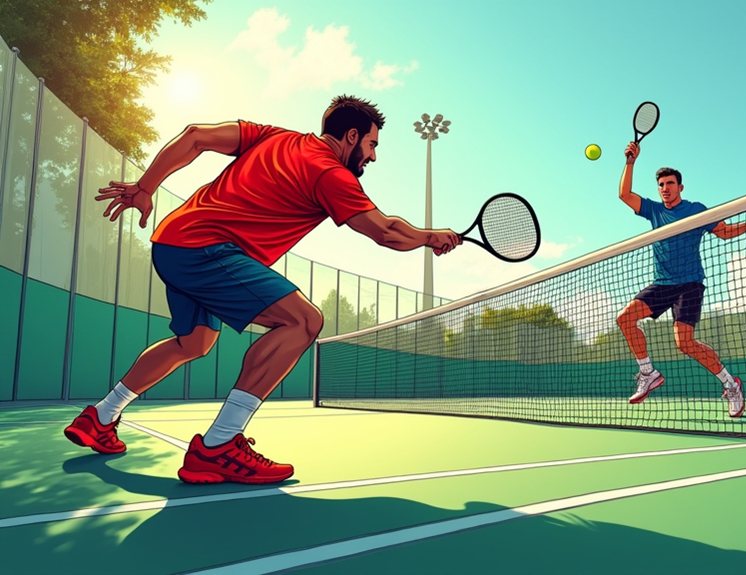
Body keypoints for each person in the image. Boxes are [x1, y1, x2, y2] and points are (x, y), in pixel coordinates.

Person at [64, 95, 461, 484]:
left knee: (194, 342)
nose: (373, 156)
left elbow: (195, 136)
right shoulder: (329, 173)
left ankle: (101, 416)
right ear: (352, 136)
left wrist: (146, 187)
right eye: (373, 145)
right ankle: (218, 447)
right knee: (304, 322)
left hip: (173, 242)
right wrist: (431, 237)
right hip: (207, 251)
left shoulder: (275, 137)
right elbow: (386, 232)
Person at [616, 141, 746, 417]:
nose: (665, 188)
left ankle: (731, 384)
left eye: (670, 183)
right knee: (625, 319)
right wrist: (630, 162)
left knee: (684, 343)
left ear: (681, 187)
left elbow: (723, 232)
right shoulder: (654, 210)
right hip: (662, 283)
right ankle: (648, 373)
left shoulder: (696, 210)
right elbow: (624, 194)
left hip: (689, 284)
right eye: (661, 185)